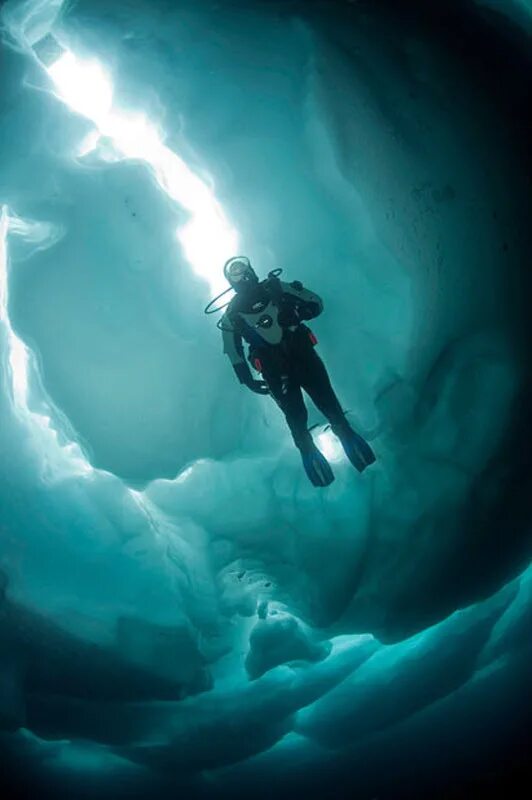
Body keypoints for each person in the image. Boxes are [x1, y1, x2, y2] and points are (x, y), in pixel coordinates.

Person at [220, 256, 375, 486]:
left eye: (241, 267)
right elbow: (233, 352)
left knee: (329, 406)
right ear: (230, 280)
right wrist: (247, 380)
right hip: (276, 372)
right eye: (234, 272)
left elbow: (316, 303)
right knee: (296, 419)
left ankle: (345, 436)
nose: (241, 274)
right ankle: (311, 453)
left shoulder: (276, 288)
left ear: (251, 268)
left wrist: (297, 314)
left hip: (303, 358)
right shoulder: (232, 315)